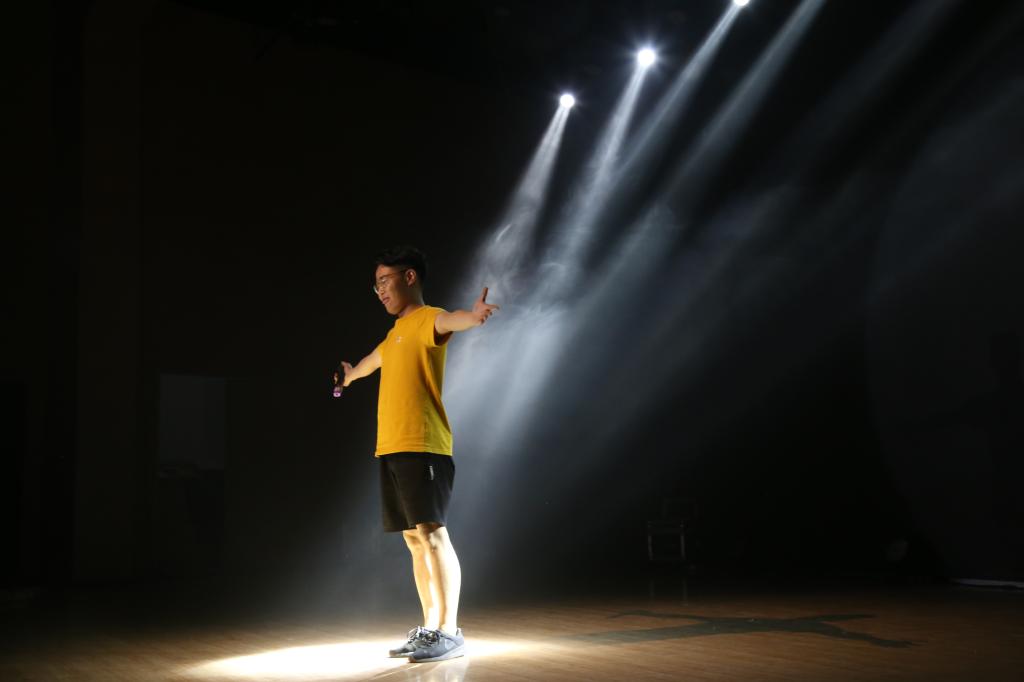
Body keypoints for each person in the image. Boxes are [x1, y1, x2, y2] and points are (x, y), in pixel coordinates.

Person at [340, 245, 498, 663]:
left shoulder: (429, 319)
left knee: (433, 534)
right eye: (375, 285)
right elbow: (371, 362)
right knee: (414, 540)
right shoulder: (394, 334)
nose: (380, 291)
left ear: (409, 277)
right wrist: (351, 376)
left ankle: (450, 631)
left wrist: (473, 316)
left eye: (385, 281)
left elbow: (452, 320)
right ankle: (430, 628)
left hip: (423, 445)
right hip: (391, 447)